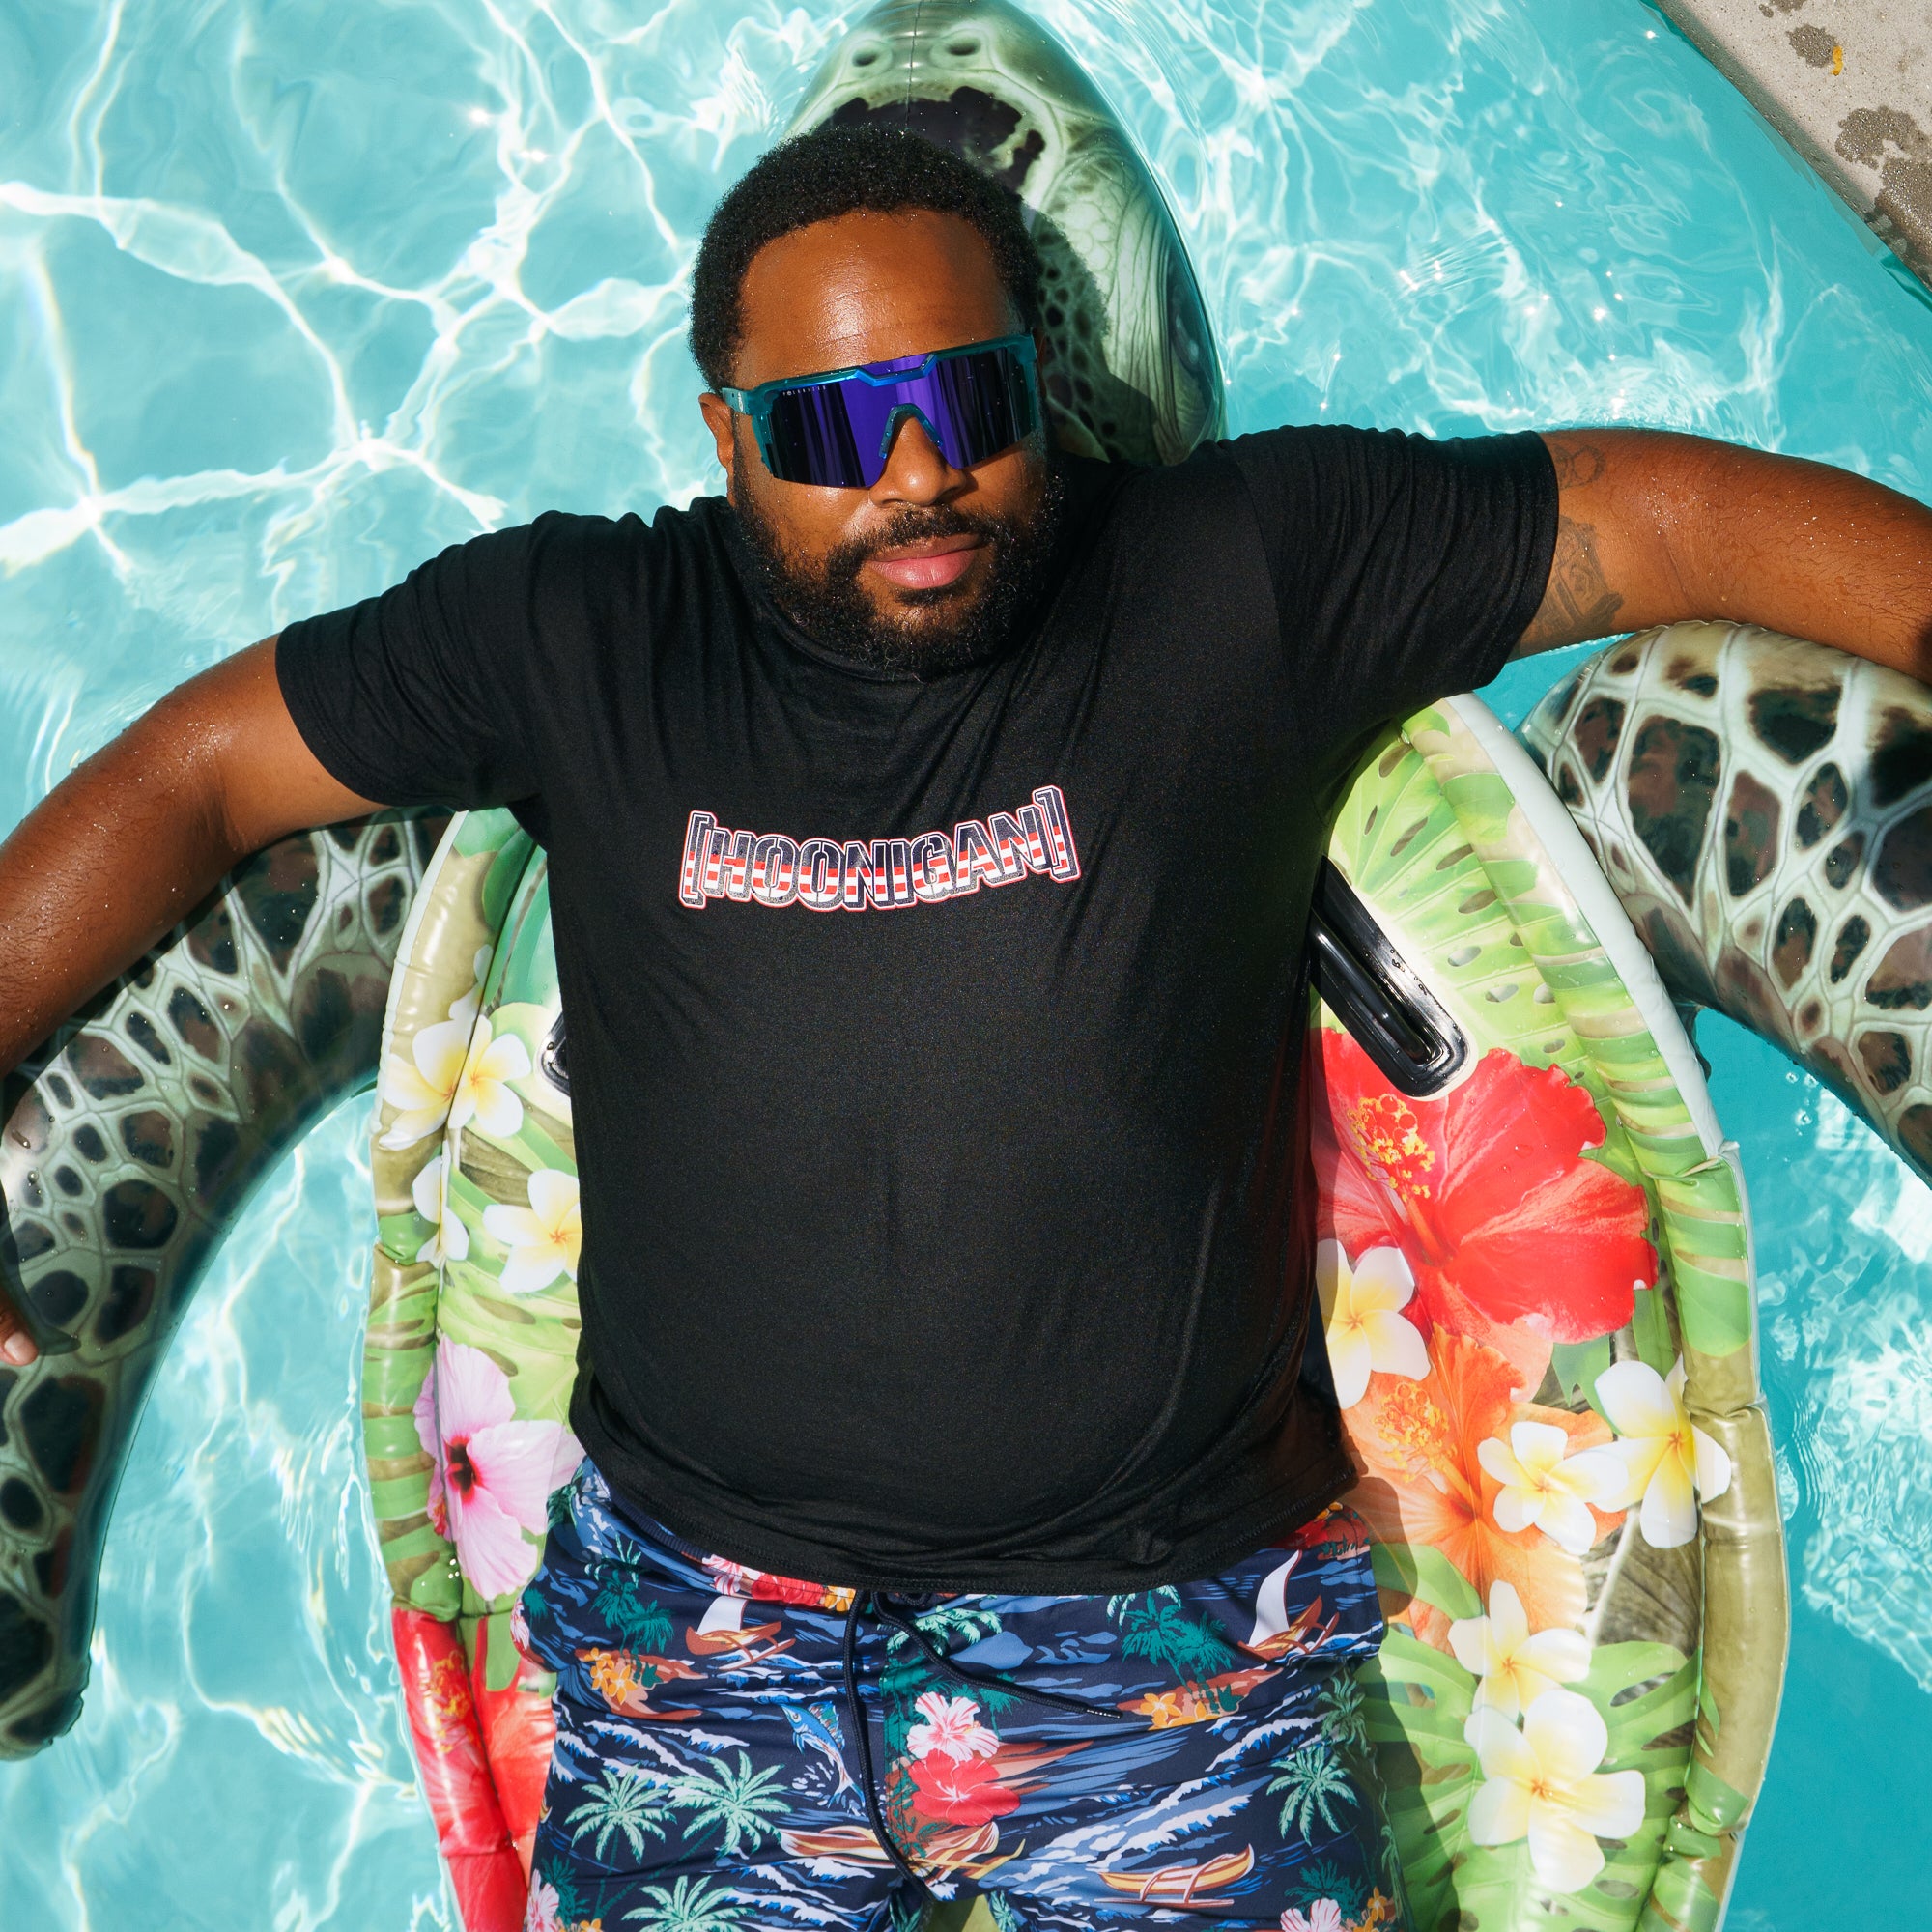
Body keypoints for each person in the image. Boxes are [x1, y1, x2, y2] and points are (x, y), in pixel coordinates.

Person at [1, 121, 1928, 1932]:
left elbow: (1647, 516)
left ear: (1040, 384)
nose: (913, 471)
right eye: (835, 423)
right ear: (726, 435)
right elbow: (198, 775)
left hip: (1165, 1664)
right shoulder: (580, 635)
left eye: (966, 401)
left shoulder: (1230, 573)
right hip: (699, 1658)